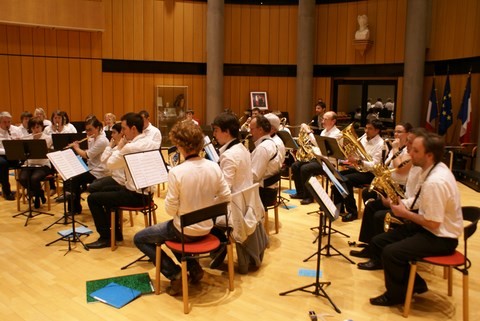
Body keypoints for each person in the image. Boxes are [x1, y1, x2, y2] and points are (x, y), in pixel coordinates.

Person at [133, 121, 231, 296]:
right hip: (207, 227)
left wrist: (186, 207)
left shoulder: (177, 172)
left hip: (185, 231)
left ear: (179, 144)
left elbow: (170, 210)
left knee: (140, 238)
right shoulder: (214, 166)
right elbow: (226, 197)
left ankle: (175, 274)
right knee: (170, 231)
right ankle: (194, 269)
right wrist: (204, 206)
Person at [368, 132, 463, 306]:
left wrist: (405, 214)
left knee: (391, 252)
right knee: (379, 241)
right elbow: (420, 200)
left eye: (415, 151)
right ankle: (416, 284)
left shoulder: (436, 181)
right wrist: (398, 203)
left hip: (441, 237)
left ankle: (396, 296)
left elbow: (433, 223)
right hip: (432, 230)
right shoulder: (433, 169)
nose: (410, 154)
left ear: (429, 155)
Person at [86, 112, 161, 249]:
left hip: (135, 195)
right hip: (147, 193)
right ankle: (116, 234)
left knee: (93, 199)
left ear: (133, 129)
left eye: (125, 128)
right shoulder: (152, 143)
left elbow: (109, 164)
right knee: (106, 191)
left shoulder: (130, 147)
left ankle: (106, 237)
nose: (123, 132)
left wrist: (119, 146)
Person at [351, 125, 421, 260]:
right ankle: (368, 244)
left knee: (378, 215)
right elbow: (388, 165)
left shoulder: (413, 157)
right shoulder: (403, 151)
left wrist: (397, 201)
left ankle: (377, 255)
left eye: (410, 141)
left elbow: (400, 169)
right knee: (371, 206)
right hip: (397, 189)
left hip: (403, 193)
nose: (407, 143)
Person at [332, 119, 384, 222]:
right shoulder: (364, 138)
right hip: (359, 169)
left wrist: (359, 161)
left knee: (346, 180)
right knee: (336, 175)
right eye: (366, 127)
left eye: (370, 129)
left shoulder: (381, 144)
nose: (366, 130)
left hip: (371, 174)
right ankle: (339, 207)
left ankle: (352, 212)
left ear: (377, 131)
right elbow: (356, 153)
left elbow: (375, 165)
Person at [290, 111, 342, 205]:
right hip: (319, 159)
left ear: (333, 121)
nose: (323, 121)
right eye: (323, 119)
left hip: (329, 163)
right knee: (295, 165)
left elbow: (320, 145)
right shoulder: (324, 131)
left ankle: (309, 197)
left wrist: (308, 131)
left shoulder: (337, 134)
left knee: (305, 169)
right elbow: (318, 147)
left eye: (325, 119)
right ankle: (300, 193)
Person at [64, 116, 109, 214]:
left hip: (100, 172)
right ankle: (74, 207)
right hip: (91, 168)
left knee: (74, 179)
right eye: (87, 130)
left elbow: (87, 155)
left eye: (90, 130)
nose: (88, 133)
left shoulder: (102, 140)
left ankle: (74, 209)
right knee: (71, 176)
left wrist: (76, 147)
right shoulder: (93, 138)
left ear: (97, 128)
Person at [213, 112, 253, 193]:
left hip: (235, 202)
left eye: (216, 130)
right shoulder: (243, 148)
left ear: (227, 132)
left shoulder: (229, 155)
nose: (214, 134)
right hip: (245, 200)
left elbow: (224, 190)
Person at [18, 117, 53, 208]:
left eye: (38, 127)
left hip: (43, 165)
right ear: (30, 129)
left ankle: (36, 197)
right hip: (29, 164)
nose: (36, 130)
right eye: (33, 128)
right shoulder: (27, 138)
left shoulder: (48, 138)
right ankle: (40, 193)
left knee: (34, 179)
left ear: (42, 127)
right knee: (22, 178)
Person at [250, 115, 282, 209]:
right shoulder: (271, 143)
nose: (249, 132)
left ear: (260, 130)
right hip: (269, 189)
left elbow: (255, 176)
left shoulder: (263, 148)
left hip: (263, 193)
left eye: (252, 129)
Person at [87, 123, 126, 193]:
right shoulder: (115, 147)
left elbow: (104, 163)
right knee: (94, 184)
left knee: (92, 187)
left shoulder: (120, 148)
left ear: (121, 133)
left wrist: (109, 146)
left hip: (119, 180)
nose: (111, 135)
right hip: (112, 176)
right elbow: (103, 160)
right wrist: (110, 147)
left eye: (114, 132)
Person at [0, 111, 23, 200]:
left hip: (15, 154)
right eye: (4, 122)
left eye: (9, 122)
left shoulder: (16, 130)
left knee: (25, 161)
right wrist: (8, 151)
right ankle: (7, 191)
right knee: (2, 164)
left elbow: (23, 142)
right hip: (2, 155)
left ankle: (28, 189)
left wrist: (18, 142)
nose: (7, 124)